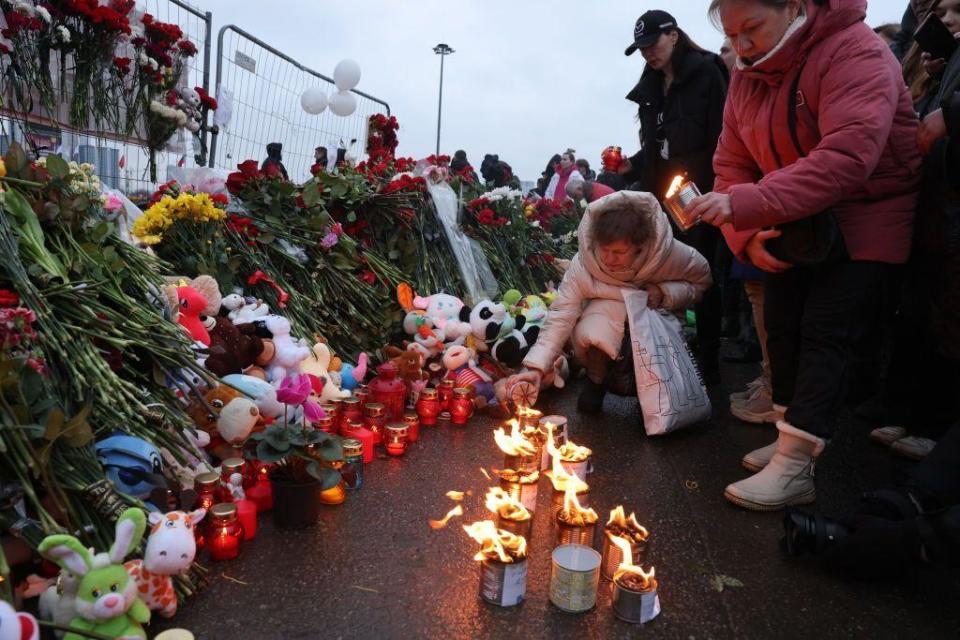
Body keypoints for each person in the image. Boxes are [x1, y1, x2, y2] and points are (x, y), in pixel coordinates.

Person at [684, 0, 922, 511]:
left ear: (793, 6)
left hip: (867, 217)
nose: (742, 47)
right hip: (793, 219)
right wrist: (745, 234)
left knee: (825, 334)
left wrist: (743, 204)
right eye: (732, 34)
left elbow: (847, 155)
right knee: (784, 325)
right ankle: (787, 432)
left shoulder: (855, 51)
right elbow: (732, 161)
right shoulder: (748, 78)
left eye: (752, 29)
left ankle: (797, 465)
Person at [504, 191, 712, 414]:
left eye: (619, 252)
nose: (610, 259)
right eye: (605, 250)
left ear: (640, 246)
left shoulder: (668, 255)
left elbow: (703, 281)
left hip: (657, 316)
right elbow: (561, 315)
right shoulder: (584, 265)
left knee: (658, 407)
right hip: (607, 318)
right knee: (595, 327)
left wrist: (665, 292)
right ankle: (596, 381)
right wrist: (536, 367)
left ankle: (655, 396)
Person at [618, 9, 729, 384]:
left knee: (702, 272)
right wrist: (628, 166)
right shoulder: (650, 87)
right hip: (661, 195)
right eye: (642, 48)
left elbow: (723, 134)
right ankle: (669, 349)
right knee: (663, 271)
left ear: (674, 35)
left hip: (699, 190)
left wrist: (720, 188)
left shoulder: (707, 72)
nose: (648, 53)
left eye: (653, 43)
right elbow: (654, 144)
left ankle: (710, 356)